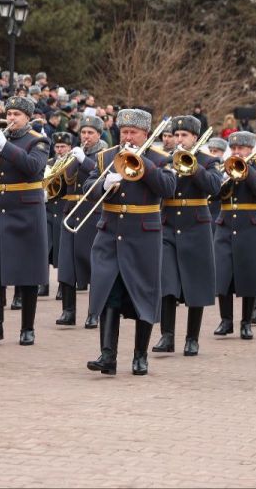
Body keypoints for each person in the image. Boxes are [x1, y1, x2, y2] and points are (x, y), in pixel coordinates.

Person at [85, 109, 177, 375]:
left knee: (143, 295)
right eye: (124, 132)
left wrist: (143, 165)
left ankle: (140, 356)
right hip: (110, 234)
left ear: (145, 134)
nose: (127, 137)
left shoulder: (159, 158)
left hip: (143, 236)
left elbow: (168, 188)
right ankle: (107, 356)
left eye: (133, 133)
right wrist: (103, 185)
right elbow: (87, 190)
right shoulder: (105, 157)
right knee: (108, 292)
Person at [0, 96, 50, 346]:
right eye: (9, 114)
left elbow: (32, 168)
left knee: (28, 271)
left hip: (27, 210)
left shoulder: (38, 141)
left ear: (28, 117)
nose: (12, 118)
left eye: (17, 114)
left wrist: (4, 145)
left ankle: (27, 328)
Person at [154, 115, 219, 357]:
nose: (179, 140)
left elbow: (215, 187)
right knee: (167, 282)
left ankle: (192, 339)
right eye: (176, 135)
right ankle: (167, 335)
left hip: (196, 225)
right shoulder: (164, 160)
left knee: (196, 284)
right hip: (169, 223)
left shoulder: (209, 161)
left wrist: (194, 168)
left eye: (184, 136)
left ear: (195, 138)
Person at [212, 131, 256, 341]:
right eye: (234, 148)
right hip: (225, 224)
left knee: (249, 275)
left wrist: (247, 171)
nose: (237, 152)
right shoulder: (223, 168)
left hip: (251, 225)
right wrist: (224, 180)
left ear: (251, 149)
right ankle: (226, 320)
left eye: (241, 148)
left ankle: (246, 322)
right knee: (223, 273)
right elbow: (214, 195)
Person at [58, 115, 109, 328]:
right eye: (83, 132)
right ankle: (68, 311)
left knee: (92, 264)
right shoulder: (74, 154)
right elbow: (64, 182)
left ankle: (93, 313)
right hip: (71, 211)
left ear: (99, 134)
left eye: (90, 132)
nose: (86, 136)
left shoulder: (105, 155)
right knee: (67, 264)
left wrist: (84, 161)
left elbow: (103, 177)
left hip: (92, 211)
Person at [46, 132, 73, 294]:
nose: (60, 150)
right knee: (45, 248)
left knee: (63, 251)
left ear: (69, 147)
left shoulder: (73, 162)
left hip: (64, 208)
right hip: (49, 208)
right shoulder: (49, 163)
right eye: (57, 147)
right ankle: (44, 284)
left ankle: (63, 285)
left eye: (63, 147)